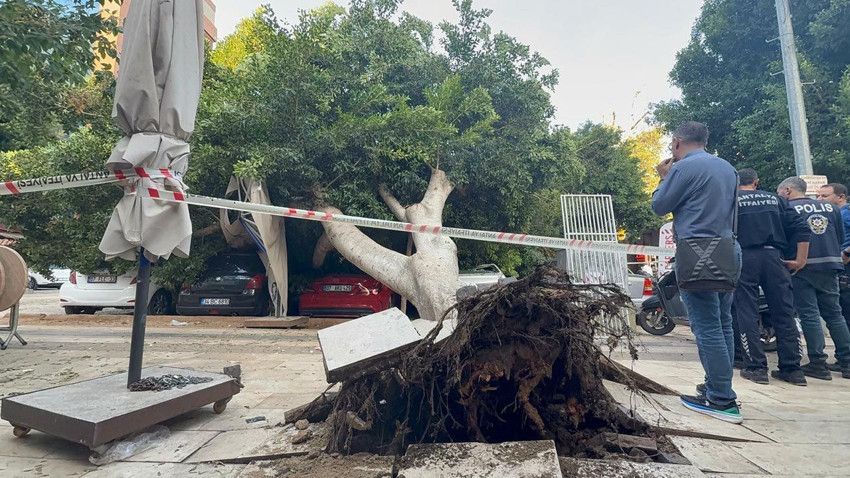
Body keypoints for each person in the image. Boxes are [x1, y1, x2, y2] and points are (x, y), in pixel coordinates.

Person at [652, 121, 742, 424]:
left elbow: (659, 205)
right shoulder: (727, 168)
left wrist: (664, 177)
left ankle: (721, 400)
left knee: (706, 326)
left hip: (698, 250)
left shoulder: (682, 168)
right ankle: (717, 385)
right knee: (723, 322)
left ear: (677, 142)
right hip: (728, 248)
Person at [733, 168, 809, 385]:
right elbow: (802, 228)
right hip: (775, 257)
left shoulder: (731, 201)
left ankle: (756, 367)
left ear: (736, 182)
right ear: (756, 182)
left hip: (744, 257)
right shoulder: (776, 200)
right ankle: (792, 369)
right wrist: (800, 260)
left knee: (746, 311)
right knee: (784, 312)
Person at [777, 177, 850, 379]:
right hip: (831, 264)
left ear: (788, 190)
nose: (779, 195)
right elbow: (840, 236)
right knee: (834, 314)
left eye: (780, 192)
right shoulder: (831, 208)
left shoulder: (788, 208)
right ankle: (847, 361)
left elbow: (784, 237)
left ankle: (818, 362)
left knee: (809, 314)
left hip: (802, 266)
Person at [817, 183, 850, 359]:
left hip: (846, 265)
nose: (819, 199)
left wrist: (846, 253)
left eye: (824, 196)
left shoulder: (846, 212)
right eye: (818, 195)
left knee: (844, 311)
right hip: (838, 265)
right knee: (840, 311)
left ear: (840, 197)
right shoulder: (835, 213)